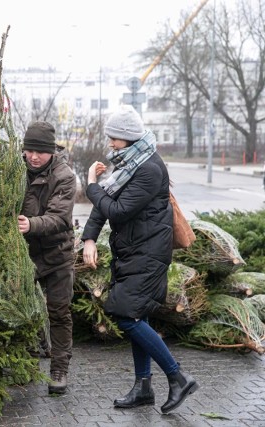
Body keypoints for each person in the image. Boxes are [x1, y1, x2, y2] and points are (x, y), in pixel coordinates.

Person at [81, 106, 199, 414]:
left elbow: (117, 210)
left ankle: (177, 377)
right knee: (138, 315)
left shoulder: (149, 168)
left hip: (148, 254)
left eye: (114, 139)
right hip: (132, 251)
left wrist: (91, 186)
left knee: (125, 315)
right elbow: (105, 203)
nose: (110, 144)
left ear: (128, 138)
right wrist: (89, 238)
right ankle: (143, 387)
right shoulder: (127, 163)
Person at [17, 121, 76, 395]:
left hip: (58, 254)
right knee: (23, 310)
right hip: (26, 256)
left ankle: (59, 370)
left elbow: (60, 217)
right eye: (29, 150)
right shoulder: (17, 171)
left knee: (59, 312)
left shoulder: (64, 176)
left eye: (39, 151)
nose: (33, 156)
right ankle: (27, 364)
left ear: (51, 151)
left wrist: (31, 224)